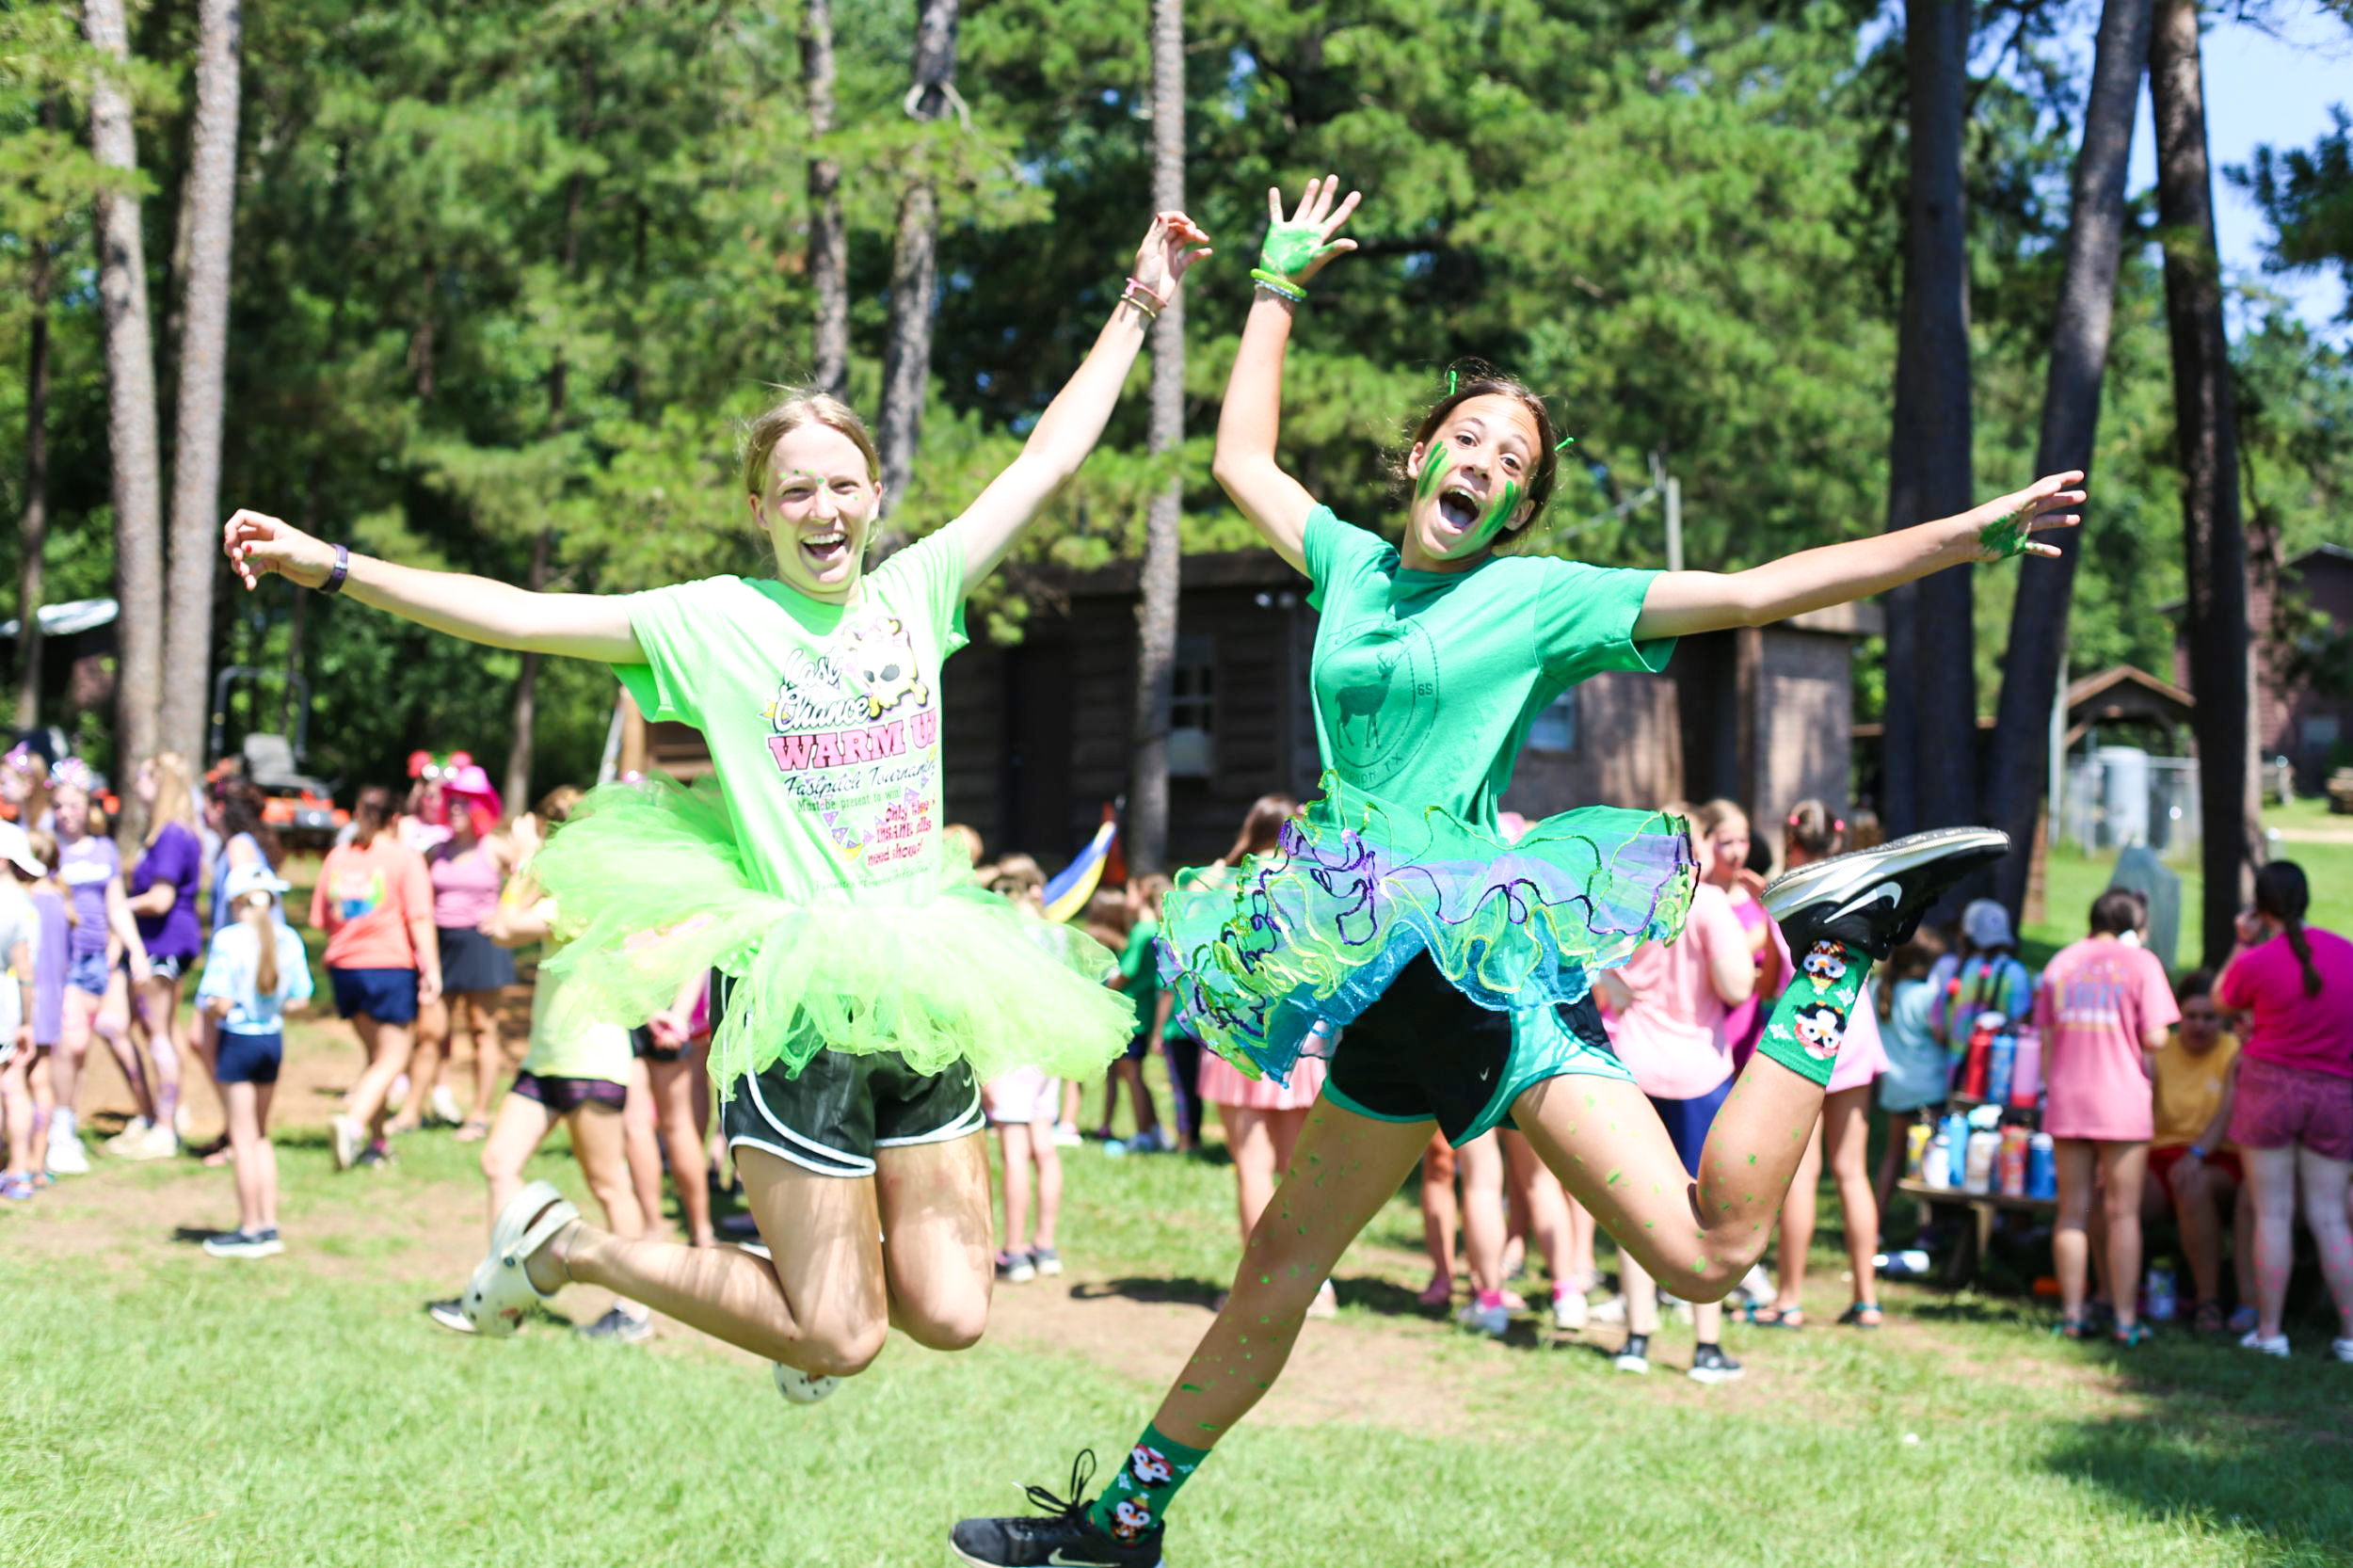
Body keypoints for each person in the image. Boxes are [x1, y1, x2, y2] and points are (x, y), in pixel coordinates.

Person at [950, 175, 2062, 1567]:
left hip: (1483, 978)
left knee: (1706, 1255)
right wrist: (1275, 286)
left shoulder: (1539, 600)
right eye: (1466, 437)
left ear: (1518, 504)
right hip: (1376, 988)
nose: (1482, 462)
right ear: (1422, 456)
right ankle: (1125, 1523)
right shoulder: (1348, 566)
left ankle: (1835, 948)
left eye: (1510, 460)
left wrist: (1967, 536)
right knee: (1275, 1269)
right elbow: (1240, 459)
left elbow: (1755, 589)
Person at [228, 209, 1209, 1401]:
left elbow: (1047, 458)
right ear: (761, 509)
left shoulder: (920, 589)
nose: (822, 509)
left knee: (952, 1314)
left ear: (876, 492)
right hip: (794, 992)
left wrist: (1139, 304)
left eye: (841, 484)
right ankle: (565, 1247)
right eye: (795, 491)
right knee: (842, 1337)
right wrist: (332, 565)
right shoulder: (710, 622)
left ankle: (801, 1309)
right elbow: (520, 615)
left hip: (924, 978)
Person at [429, 820, 655, 1342]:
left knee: (609, 1185)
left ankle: (634, 1311)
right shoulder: (573, 902)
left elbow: (503, 927)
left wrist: (526, 861)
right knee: (498, 1163)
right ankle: (500, 1293)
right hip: (545, 1060)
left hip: (590, 1062)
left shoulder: (581, 904)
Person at [1754, 799, 1890, 1331]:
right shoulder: (1862, 890)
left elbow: (1769, 984)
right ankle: (1867, 1299)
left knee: (1801, 1174)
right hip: (1855, 1029)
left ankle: (1789, 1299)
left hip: (1806, 1038)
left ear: (1791, 843)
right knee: (1852, 1172)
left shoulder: (1785, 898)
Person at [2215, 861, 2353, 1360]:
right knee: (2330, 1217)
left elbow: (2221, 999)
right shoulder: (2347, 954)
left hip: (2269, 1088)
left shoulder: (2258, 959)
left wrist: (2241, 940)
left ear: (2261, 906)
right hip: (2335, 1093)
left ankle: (2270, 1333)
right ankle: (2350, 1337)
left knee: (2271, 1213)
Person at [2037, 888, 2177, 1345]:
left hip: (2068, 1097)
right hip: (2121, 1100)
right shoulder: (2142, 963)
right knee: (2123, 1214)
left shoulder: (2060, 963)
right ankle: (2124, 1320)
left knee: (2072, 1213)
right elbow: (2157, 1037)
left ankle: (2073, 1315)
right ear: (2135, 924)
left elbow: (2046, 1037)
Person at [311, 785, 440, 1171]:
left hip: (345, 969)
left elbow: (320, 918)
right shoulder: (405, 858)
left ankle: (377, 1142)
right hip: (389, 967)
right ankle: (352, 1125)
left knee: (376, 1058)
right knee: (394, 1057)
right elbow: (419, 916)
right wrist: (432, 968)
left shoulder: (338, 856)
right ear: (396, 819)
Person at [194, 864, 314, 1257]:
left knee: (242, 1140)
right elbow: (301, 997)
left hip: (239, 1042)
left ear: (235, 903)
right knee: (260, 1136)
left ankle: (250, 1229)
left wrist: (216, 1008)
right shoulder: (288, 938)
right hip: (271, 1041)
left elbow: (218, 1000)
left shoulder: (229, 940)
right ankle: (269, 1224)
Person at [45, 760, 153, 1174]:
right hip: (62, 961)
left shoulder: (104, 850)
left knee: (91, 1043)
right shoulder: (47, 848)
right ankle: (59, 1128)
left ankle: (74, 1123)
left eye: (72, 805)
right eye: (58, 806)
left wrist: (134, 950)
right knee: (70, 1044)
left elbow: (116, 907)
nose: (65, 814)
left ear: (87, 806)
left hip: (97, 962)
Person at [401, 762, 515, 1137]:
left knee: (482, 1030)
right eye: (451, 802)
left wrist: (506, 914)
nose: (454, 809)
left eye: (464, 802)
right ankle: (410, 1112)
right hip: (442, 946)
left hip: (483, 947)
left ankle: (479, 1115)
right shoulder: (436, 851)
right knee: (430, 1033)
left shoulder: (494, 847)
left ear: (481, 806)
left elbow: (533, 878)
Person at [2141, 968, 2252, 1336]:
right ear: (2178, 1016)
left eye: (2209, 1017)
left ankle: (2208, 1300)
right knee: (2114, 1188)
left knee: (2192, 1183)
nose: (2199, 1025)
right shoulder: (2160, 1051)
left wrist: (2197, 1154)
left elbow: (2227, 1113)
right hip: (2161, 1154)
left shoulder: (2234, 1051)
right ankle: (2108, 1294)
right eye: (2191, 1016)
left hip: (2218, 1156)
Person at [120, 753, 207, 1158]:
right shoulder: (174, 831)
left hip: (165, 942)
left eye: (143, 776)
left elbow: (161, 898)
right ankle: (177, 1109)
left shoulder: (171, 835)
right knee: (167, 1030)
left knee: (158, 1034)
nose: (136, 783)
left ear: (161, 783)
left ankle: (165, 1127)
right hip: (172, 940)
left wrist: (118, 906)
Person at [1871, 930, 1950, 1214]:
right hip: (1931, 1089)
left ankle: (1876, 1219)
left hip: (1895, 1089)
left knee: (1893, 1154)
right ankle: (1928, 1224)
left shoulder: (1877, 989)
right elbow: (1943, 1036)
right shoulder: (1928, 996)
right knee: (1933, 1157)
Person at [984, 1058, 1064, 1284]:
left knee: (1015, 1154)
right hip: (1047, 1054)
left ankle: (1014, 1253)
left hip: (1011, 1057)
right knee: (1044, 1149)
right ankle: (1045, 1249)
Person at [0, 824, 45, 1201]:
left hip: (7, 1002)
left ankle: (15, 1169)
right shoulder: (25, 904)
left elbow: (24, 968)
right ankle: (19, 1169)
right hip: (10, 1004)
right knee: (13, 1087)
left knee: (11, 1088)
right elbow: (27, 971)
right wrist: (28, 1020)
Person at [1929, 897, 2034, 1052]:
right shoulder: (2016, 973)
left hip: (1952, 1065)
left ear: (1964, 935)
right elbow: (2022, 1027)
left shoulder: (1948, 967)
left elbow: (1938, 1032)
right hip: (1999, 1065)